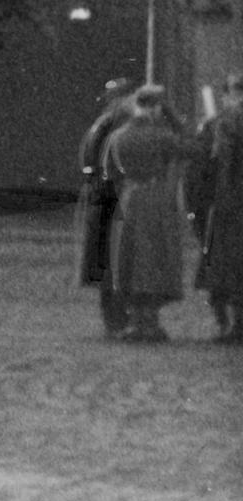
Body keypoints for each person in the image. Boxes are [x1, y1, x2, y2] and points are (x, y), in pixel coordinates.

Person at [103, 84, 188, 342]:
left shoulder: (118, 137)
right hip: (154, 199)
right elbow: (190, 147)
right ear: (155, 108)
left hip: (128, 198)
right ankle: (150, 321)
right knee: (152, 257)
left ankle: (136, 319)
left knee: (130, 257)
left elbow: (110, 169)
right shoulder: (161, 136)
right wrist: (173, 118)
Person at [77, 77, 138, 338]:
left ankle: (115, 318)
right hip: (113, 197)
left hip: (104, 197)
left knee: (112, 260)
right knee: (116, 260)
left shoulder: (104, 123)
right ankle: (117, 318)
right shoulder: (119, 124)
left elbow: (88, 160)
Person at [189, 71, 243, 343]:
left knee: (224, 269)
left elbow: (203, 172)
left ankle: (228, 324)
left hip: (227, 208)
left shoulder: (220, 125)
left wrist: (199, 210)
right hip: (228, 206)